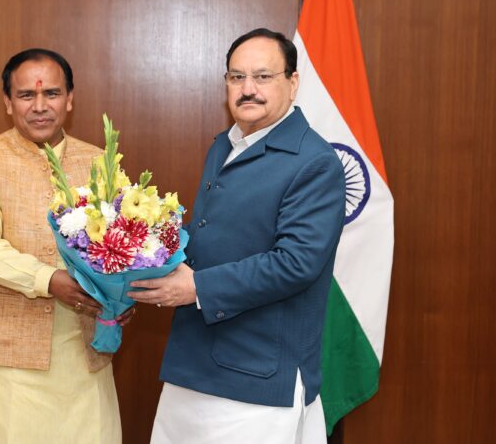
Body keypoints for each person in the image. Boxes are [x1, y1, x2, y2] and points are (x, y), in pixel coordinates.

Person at [128, 28, 346, 443]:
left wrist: (196, 288)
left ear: (292, 83)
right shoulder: (223, 146)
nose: (248, 89)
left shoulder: (315, 162)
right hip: (193, 363)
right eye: (236, 77)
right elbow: (212, 237)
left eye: (263, 77)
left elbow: (295, 264)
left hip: (257, 379)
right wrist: (139, 255)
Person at [0, 48, 131, 444]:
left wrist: (123, 296)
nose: (40, 106)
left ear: (70, 100)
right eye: (26, 95)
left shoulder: (100, 162)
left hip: (85, 358)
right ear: (8, 102)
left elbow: (124, 245)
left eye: (51, 93)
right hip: (8, 361)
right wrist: (48, 280)